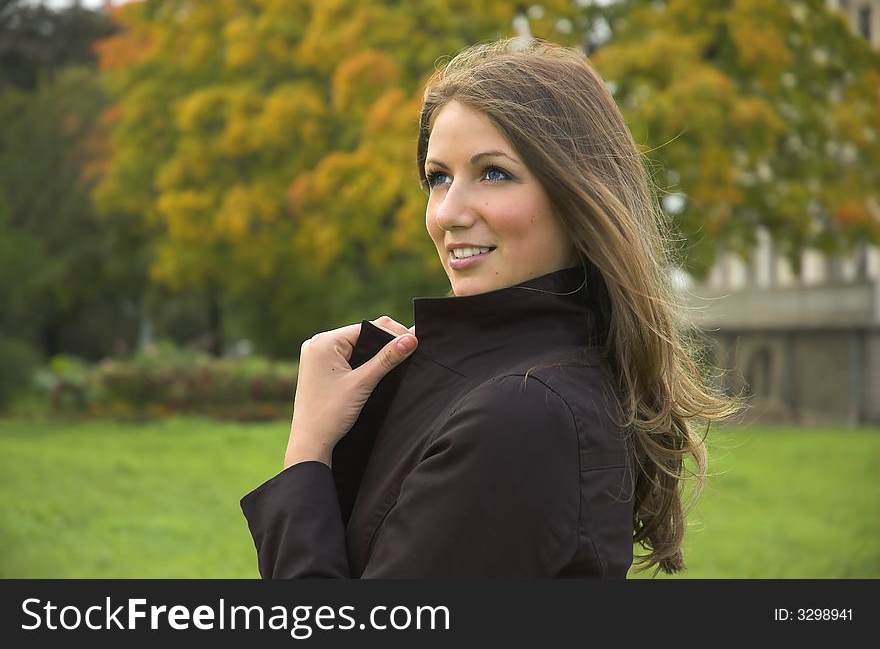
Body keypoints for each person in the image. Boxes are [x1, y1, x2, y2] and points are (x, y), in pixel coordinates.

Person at [240, 38, 736, 578]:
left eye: (494, 173)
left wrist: (308, 449)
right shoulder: (481, 383)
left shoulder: (522, 414)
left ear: (579, 195)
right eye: (438, 177)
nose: (448, 213)